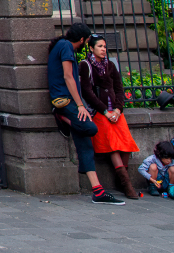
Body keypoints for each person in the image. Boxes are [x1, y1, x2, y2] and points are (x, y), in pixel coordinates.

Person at [48, 22, 124, 204]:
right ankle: (61, 117)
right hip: (65, 101)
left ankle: (97, 191)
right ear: (82, 40)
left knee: (85, 143)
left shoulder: (62, 46)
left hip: (68, 100)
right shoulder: (66, 46)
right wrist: (80, 105)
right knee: (90, 128)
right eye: (87, 41)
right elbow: (68, 76)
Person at [78, 34, 140, 198]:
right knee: (113, 145)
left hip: (116, 113)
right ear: (91, 48)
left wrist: (118, 110)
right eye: (100, 46)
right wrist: (105, 111)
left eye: (105, 46)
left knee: (126, 143)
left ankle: (122, 180)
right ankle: (127, 185)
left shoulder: (111, 65)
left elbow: (119, 89)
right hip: (100, 113)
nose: (103, 49)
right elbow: (87, 92)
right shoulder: (85, 65)